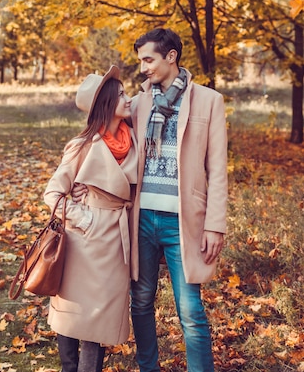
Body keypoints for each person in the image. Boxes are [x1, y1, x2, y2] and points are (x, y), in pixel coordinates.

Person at [129, 28, 227, 372]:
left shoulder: (208, 101)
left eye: (148, 59)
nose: (143, 67)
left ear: (171, 56)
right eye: (141, 60)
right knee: (140, 302)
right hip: (141, 219)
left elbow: (217, 169)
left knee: (190, 310)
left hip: (183, 221)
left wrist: (215, 225)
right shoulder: (139, 103)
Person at [43, 65, 137, 372]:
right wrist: (85, 220)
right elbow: (53, 194)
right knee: (74, 311)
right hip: (84, 242)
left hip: (117, 242)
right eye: (121, 94)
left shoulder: (133, 142)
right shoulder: (83, 146)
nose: (128, 98)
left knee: (97, 319)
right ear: (107, 104)